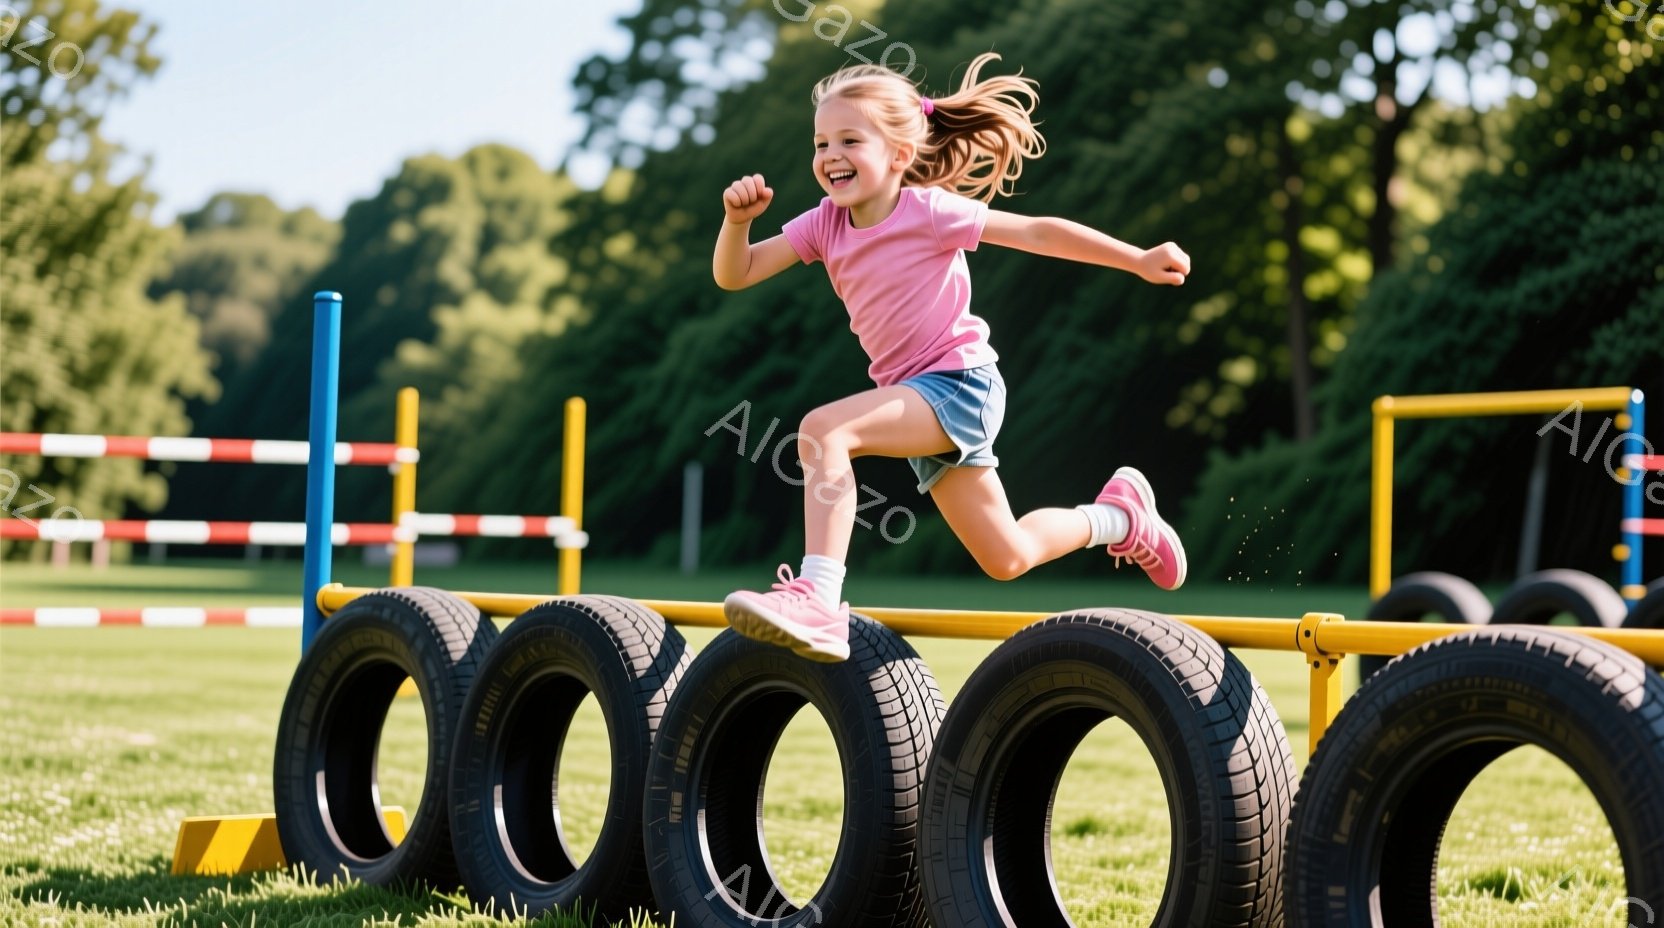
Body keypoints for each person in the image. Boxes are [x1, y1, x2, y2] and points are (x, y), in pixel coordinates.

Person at [712, 53, 1191, 662]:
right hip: (917, 397)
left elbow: (1038, 232)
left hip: (960, 383)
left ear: (898, 154)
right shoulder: (825, 224)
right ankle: (1119, 520)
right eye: (821, 142)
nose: (830, 154)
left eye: (849, 140)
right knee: (1007, 555)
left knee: (822, 430)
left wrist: (1137, 258)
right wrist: (735, 222)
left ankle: (819, 599)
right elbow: (739, 272)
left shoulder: (928, 212)